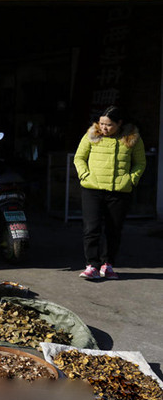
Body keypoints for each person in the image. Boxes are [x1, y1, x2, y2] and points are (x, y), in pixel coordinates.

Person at [73, 105, 146, 280]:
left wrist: (130, 180)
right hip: (92, 189)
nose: (104, 128)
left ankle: (108, 264)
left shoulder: (132, 138)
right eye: (101, 123)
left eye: (109, 124)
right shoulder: (91, 135)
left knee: (114, 230)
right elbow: (79, 158)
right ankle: (92, 265)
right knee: (92, 228)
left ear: (119, 123)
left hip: (119, 191)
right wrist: (85, 175)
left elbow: (140, 163)